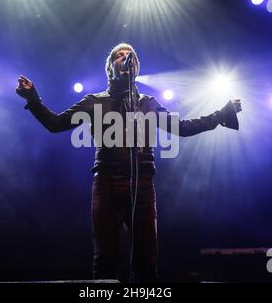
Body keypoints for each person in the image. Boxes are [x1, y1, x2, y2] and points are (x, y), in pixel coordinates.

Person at [16, 43, 242, 282]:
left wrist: (220, 115)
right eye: (119, 56)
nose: (126, 59)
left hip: (142, 183)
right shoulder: (95, 102)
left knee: (146, 257)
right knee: (106, 255)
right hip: (106, 181)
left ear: (136, 67)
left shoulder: (148, 103)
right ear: (110, 68)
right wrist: (33, 99)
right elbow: (56, 124)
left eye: (130, 57)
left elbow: (183, 128)